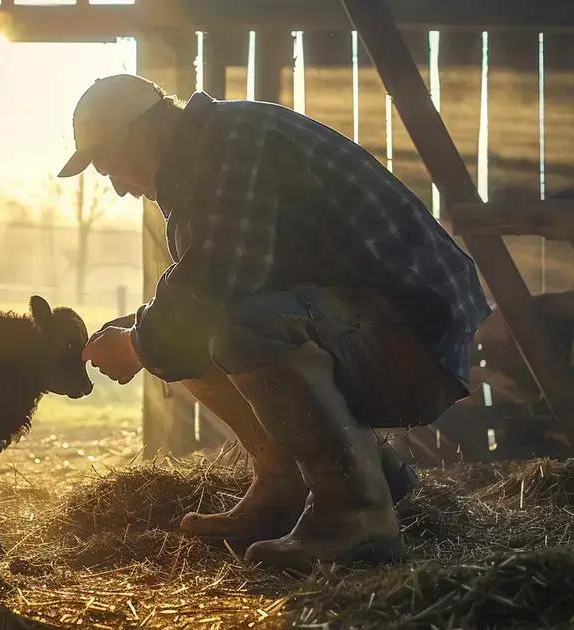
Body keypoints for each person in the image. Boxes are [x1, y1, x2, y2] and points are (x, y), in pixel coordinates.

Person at [59, 74, 489, 570]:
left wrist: (137, 344)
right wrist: (147, 332)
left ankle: (356, 515)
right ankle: (300, 484)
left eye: (111, 166)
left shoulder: (232, 143)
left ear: (143, 133)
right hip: (369, 326)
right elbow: (213, 288)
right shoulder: (208, 155)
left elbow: (221, 277)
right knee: (182, 328)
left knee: (224, 324)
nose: (117, 189)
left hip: (415, 340)